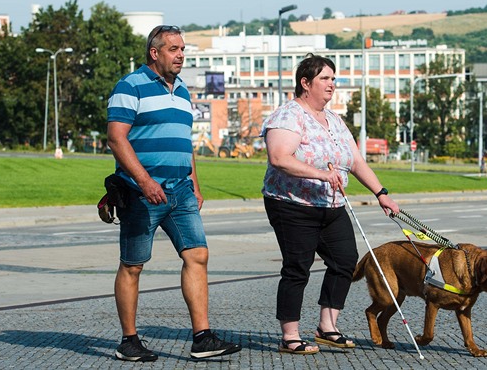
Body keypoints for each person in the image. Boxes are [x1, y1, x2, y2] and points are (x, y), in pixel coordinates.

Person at [106, 25, 241, 362]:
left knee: (197, 255)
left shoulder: (182, 91)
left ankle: (202, 338)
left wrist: (195, 184)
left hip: (181, 193)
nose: (181, 55)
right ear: (155, 53)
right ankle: (129, 341)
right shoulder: (130, 86)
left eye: (183, 49)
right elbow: (116, 138)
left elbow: (185, 143)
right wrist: (145, 181)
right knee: (133, 265)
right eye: (174, 49)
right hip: (141, 193)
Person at [261, 53, 400, 354]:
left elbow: (356, 161)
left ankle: (327, 326)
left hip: (332, 205)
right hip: (292, 204)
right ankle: (290, 335)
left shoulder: (334, 120)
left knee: (345, 260)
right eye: (324, 78)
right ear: (305, 83)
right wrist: (322, 175)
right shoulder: (288, 116)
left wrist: (381, 193)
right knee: (298, 267)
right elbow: (279, 158)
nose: (331, 84)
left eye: (333, 79)